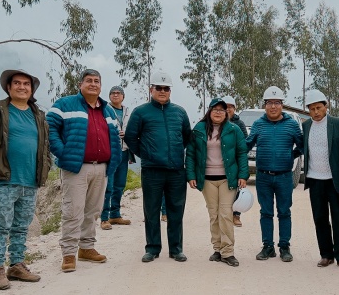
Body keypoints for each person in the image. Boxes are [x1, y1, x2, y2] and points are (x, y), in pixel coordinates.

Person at [0, 69, 51, 290]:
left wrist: (46, 163)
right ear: (8, 87)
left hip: (30, 180)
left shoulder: (38, 114)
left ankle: (17, 265)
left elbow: (45, 144)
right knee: (1, 225)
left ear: (32, 89)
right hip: (4, 179)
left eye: (26, 84)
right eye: (17, 83)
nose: (21, 87)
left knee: (21, 226)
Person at [46, 69, 121, 272]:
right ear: (80, 84)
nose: (93, 84)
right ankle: (69, 253)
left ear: (101, 86)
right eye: (89, 80)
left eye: (97, 81)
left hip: (101, 167)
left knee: (93, 210)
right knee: (73, 211)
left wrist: (114, 159)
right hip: (76, 167)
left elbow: (115, 135)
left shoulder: (107, 110)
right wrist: (63, 153)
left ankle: (86, 247)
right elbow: (49, 129)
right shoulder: (65, 104)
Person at [125, 70, 192, 263]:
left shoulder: (179, 112)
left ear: (170, 91)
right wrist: (147, 154)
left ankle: (176, 249)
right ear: (151, 89)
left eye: (166, 88)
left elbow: (186, 137)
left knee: (176, 210)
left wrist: (175, 153)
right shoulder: (141, 112)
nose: (163, 91)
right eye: (159, 88)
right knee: (152, 210)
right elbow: (130, 137)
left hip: (176, 170)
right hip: (152, 170)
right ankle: (152, 248)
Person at [186, 98, 249, 267]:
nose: (219, 112)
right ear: (209, 111)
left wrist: (243, 175)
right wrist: (190, 175)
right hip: (207, 179)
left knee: (225, 214)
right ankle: (217, 249)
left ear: (226, 113)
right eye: (215, 109)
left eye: (222, 110)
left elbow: (242, 153)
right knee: (213, 215)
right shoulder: (199, 129)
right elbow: (190, 153)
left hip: (227, 179)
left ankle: (228, 252)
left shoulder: (234, 130)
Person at [245, 86, 303, 262]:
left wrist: (290, 156)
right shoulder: (258, 124)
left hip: (284, 176)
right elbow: (247, 145)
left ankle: (284, 247)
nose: (273, 106)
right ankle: (268, 247)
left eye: (277, 103)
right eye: (269, 102)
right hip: (263, 176)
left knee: (284, 212)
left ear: (282, 105)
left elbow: (301, 146)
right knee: (266, 212)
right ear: (264, 105)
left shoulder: (292, 125)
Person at [302, 89, 339, 270]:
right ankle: (326, 255)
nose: (316, 112)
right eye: (312, 109)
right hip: (315, 179)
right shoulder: (306, 125)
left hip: (334, 180)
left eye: (318, 108)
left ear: (326, 106)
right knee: (320, 218)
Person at [100, 85, 132, 230]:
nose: (115, 95)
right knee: (109, 185)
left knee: (120, 185)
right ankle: (104, 218)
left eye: (118, 93)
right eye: (112, 93)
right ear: (109, 96)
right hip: (110, 152)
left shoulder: (127, 112)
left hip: (124, 151)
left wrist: (128, 134)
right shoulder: (105, 110)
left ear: (123, 96)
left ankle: (115, 214)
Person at [223, 95, 248, 227]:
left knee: (237, 190)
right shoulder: (217, 122)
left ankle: (236, 215)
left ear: (234, 108)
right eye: (225, 107)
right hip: (222, 163)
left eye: (230, 107)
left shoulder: (240, 124)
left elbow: (245, 142)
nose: (228, 109)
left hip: (235, 163)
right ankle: (225, 215)